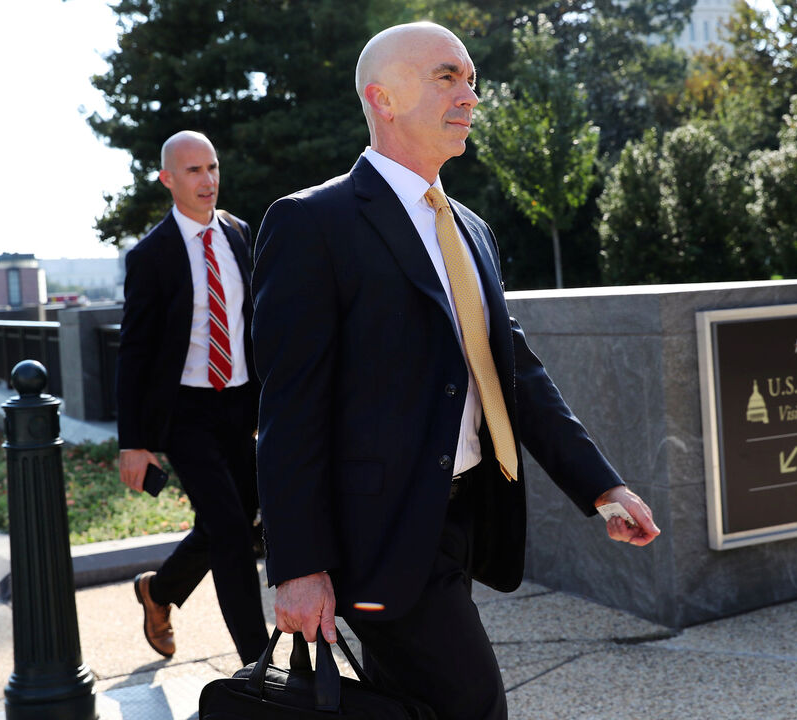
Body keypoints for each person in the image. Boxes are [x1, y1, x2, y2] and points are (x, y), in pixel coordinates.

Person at [250, 21, 661, 720]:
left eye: (472, 79)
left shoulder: (471, 228)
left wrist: (602, 485)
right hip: (374, 534)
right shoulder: (311, 223)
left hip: (464, 519)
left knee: (418, 706)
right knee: (474, 705)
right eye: (448, 77)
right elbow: (288, 410)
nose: (470, 94)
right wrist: (296, 566)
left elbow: (516, 374)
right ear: (382, 97)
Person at [115, 131, 268, 666]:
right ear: (168, 179)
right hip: (186, 412)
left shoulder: (239, 233)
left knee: (235, 518)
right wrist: (134, 443)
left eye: (212, 167)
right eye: (194, 171)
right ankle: (257, 664)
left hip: (241, 404)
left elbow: (255, 322)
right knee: (229, 530)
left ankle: (159, 592)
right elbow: (133, 351)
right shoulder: (151, 256)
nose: (208, 181)